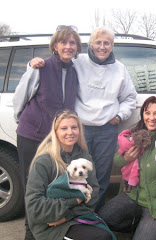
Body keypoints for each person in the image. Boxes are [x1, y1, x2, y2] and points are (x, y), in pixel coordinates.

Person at [30, 26, 137, 211]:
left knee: (101, 176)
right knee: (75, 173)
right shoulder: (78, 62)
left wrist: (119, 116)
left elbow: (130, 98)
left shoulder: (120, 69)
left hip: (106, 129)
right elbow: (56, 64)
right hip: (79, 129)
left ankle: (95, 214)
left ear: (112, 46)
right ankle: (75, 213)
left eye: (107, 43)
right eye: (98, 42)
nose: (102, 47)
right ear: (91, 44)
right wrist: (33, 63)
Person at [12, 25, 81, 240]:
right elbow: (19, 99)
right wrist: (28, 121)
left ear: (77, 47)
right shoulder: (40, 68)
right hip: (32, 136)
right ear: (55, 46)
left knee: (50, 185)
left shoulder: (74, 72)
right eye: (64, 42)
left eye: (72, 43)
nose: (68, 46)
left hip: (56, 139)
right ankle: (30, 233)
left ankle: (47, 232)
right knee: (32, 188)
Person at [98, 96, 156, 240]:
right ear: (142, 115)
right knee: (102, 219)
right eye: (147, 113)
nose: (151, 118)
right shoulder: (135, 135)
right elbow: (117, 160)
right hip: (136, 197)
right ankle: (147, 227)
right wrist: (126, 158)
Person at [25, 109, 114, 240]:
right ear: (55, 132)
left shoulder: (85, 157)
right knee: (101, 237)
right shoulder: (44, 161)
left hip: (74, 217)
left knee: (106, 234)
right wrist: (73, 202)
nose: (70, 132)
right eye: (64, 128)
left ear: (79, 130)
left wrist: (68, 215)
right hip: (49, 224)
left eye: (74, 127)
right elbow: (34, 204)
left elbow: (94, 193)